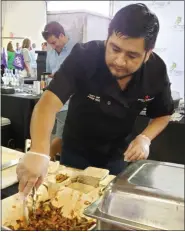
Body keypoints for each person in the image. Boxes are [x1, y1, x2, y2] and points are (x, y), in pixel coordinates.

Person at [17, 3, 174, 197]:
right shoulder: (85, 56)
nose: (119, 61)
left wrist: (145, 138)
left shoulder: (156, 71)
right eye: (114, 49)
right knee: (67, 206)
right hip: (75, 150)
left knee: (105, 204)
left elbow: (163, 114)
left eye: (132, 56)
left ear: (148, 54)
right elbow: (48, 104)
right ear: (108, 38)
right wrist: (39, 151)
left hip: (117, 155)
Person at [42, 21, 72, 160]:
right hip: (54, 102)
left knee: (63, 137)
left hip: (70, 102)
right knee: (52, 134)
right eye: (50, 44)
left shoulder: (77, 50)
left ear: (61, 35)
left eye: (54, 42)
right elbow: (50, 74)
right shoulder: (50, 54)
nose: (53, 46)